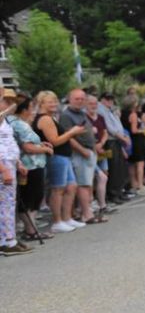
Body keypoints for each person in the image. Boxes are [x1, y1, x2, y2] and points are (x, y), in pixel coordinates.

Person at [34, 90, 85, 232]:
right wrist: (72, 132)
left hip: (63, 156)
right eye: (50, 102)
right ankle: (57, 221)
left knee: (71, 186)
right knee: (58, 189)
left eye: (55, 101)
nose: (54, 104)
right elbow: (54, 141)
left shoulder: (51, 117)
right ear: (41, 103)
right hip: (56, 156)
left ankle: (67, 218)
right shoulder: (45, 119)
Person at [10, 96, 52, 241]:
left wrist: (40, 145)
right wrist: (45, 150)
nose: (33, 111)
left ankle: (31, 229)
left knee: (31, 197)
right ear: (24, 110)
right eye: (31, 107)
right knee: (31, 198)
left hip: (29, 165)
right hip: (30, 166)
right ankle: (30, 230)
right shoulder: (20, 125)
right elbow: (27, 147)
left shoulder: (14, 122)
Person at [1, 87, 32, 255]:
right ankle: (6, 241)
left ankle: (9, 237)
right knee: (5, 204)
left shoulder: (5, 121)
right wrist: (3, 169)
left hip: (10, 163)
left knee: (9, 203)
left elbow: (9, 143)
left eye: (12, 102)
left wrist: (18, 163)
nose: (10, 105)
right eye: (6, 101)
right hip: (3, 165)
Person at [63, 89, 100, 223]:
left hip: (89, 152)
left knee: (88, 184)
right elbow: (68, 137)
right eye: (76, 99)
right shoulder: (66, 115)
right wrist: (82, 150)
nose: (80, 101)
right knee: (83, 184)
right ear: (70, 100)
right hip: (79, 154)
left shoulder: (81, 113)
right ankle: (87, 214)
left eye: (82, 99)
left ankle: (84, 211)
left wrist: (93, 149)